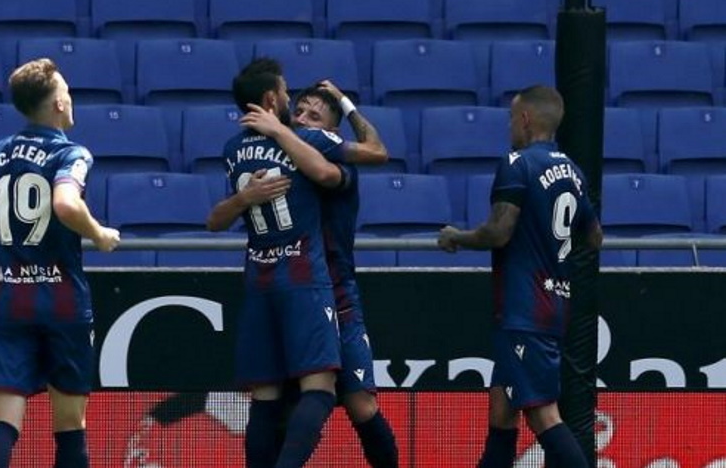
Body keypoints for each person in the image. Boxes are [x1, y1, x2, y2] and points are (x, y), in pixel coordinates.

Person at [0, 58, 120, 468]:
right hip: (62, 300)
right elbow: (65, 204)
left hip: (9, 299)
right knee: (70, 426)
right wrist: (98, 233)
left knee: (4, 424)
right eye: (68, 92)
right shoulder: (70, 153)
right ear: (58, 103)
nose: (71, 99)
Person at [233, 82, 399, 467]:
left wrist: (344, 102)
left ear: (331, 133)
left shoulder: (336, 168)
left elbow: (376, 151)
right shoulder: (278, 164)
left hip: (337, 294)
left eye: (315, 116)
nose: (303, 119)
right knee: (282, 405)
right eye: (300, 111)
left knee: (361, 404)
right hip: (295, 292)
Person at [437, 85, 603, 468]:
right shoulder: (574, 172)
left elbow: (498, 232)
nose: (510, 126)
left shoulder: (517, 162)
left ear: (525, 119)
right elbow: (594, 237)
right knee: (502, 412)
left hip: (523, 306)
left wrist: (456, 237)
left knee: (543, 414)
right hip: (554, 302)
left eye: (512, 118)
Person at [208, 58, 358, 468]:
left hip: (258, 278)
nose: (293, 101)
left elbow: (214, 221)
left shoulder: (232, 149)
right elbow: (364, 158)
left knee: (266, 398)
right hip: (303, 276)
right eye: (287, 93)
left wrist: (243, 198)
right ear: (272, 99)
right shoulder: (303, 139)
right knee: (320, 389)